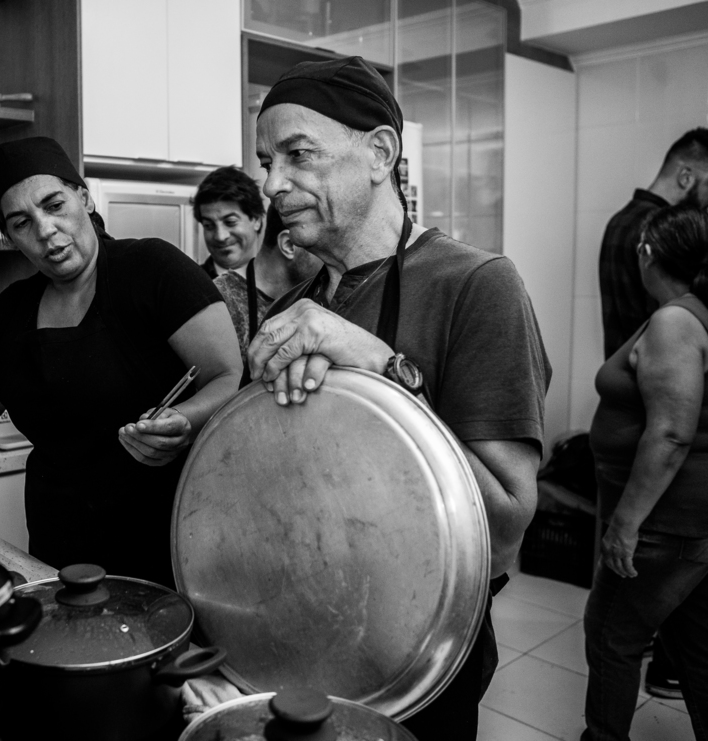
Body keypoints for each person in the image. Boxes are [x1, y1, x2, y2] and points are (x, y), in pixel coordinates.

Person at [246, 56, 551, 740]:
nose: (272, 183)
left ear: (380, 152)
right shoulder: (292, 311)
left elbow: (504, 526)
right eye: (266, 162)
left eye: (298, 154)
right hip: (298, 633)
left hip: (418, 653)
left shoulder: (476, 285)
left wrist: (380, 363)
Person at [0, 137, 241, 588]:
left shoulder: (152, 269)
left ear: (83, 197)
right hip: (59, 545)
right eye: (22, 223)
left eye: (54, 205)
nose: (45, 230)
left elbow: (227, 376)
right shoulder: (10, 312)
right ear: (10, 238)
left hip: (169, 539)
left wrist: (185, 420)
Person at [583, 204, 708, 741]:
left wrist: (625, 525)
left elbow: (671, 435)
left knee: (611, 634)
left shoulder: (675, 323)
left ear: (647, 253)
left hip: (671, 519)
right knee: (696, 634)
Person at [600, 127, 708, 358]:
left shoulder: (621, 218)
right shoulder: (660, 229)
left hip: (630, 367)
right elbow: (680, 306)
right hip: (658, 368)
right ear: (686, 177)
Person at [213, 204, 324, 363]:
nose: (331, 260)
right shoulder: (222, 302)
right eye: (323, 249)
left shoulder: (315, 296)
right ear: (289, 245)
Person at [194, 165, 263, 279]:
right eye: (209, 225)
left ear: (256, 220)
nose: (220, 236)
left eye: (230, 222)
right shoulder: (189, 283)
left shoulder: (284, 282)